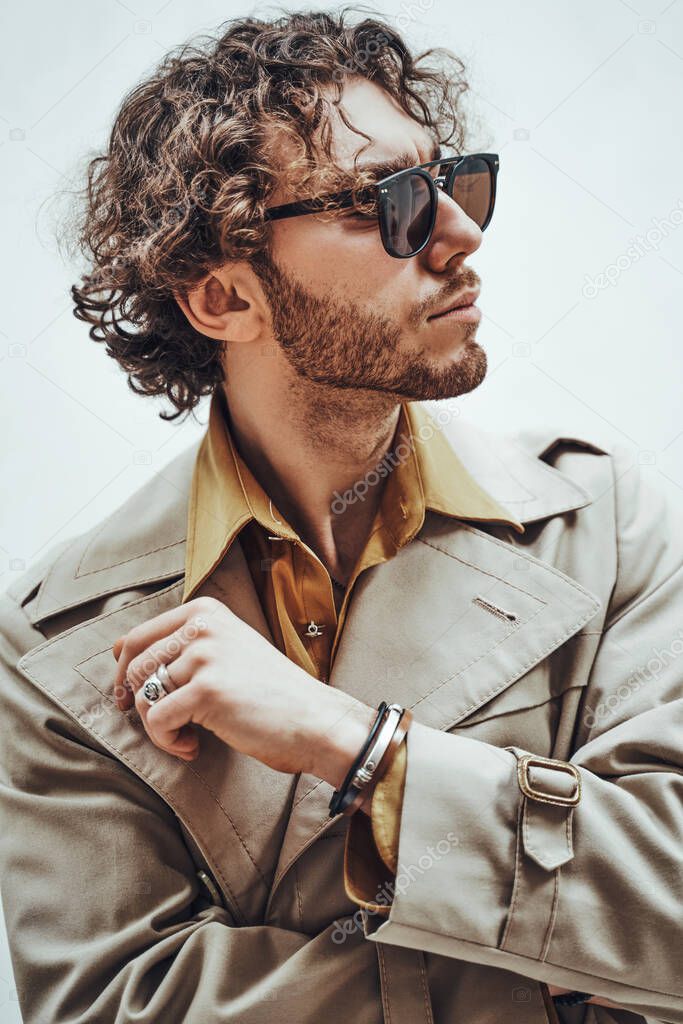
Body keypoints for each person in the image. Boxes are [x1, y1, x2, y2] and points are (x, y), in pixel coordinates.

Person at [0, 7, 681, 1023]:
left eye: (451, 181)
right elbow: (116, 1007)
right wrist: (560, 970)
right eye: (387, 203)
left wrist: (363, 747)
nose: (458, 234)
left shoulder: (601, 522)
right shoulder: (50, 646)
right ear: (225, 298)